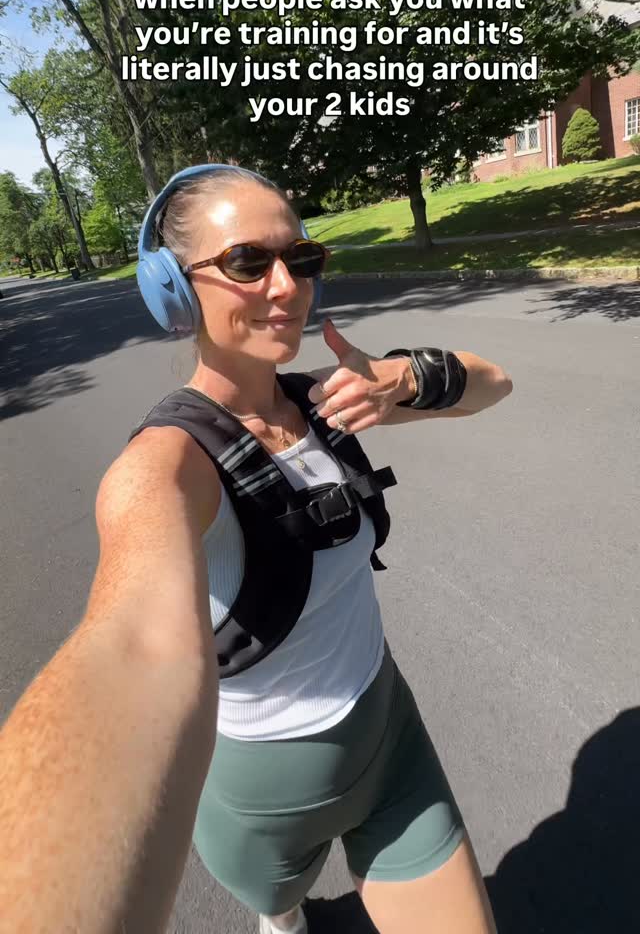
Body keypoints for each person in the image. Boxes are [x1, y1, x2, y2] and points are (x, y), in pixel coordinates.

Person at [0, 161, 511, 934]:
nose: (287, 286)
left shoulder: (326, 401)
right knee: (281, 913)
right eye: (248, 261)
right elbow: (131, 649)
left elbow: (495, 384)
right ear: (174, 286)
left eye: (300, 258)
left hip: (392, 740)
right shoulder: (167, 464)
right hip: (262, 805)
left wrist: (405, 379)